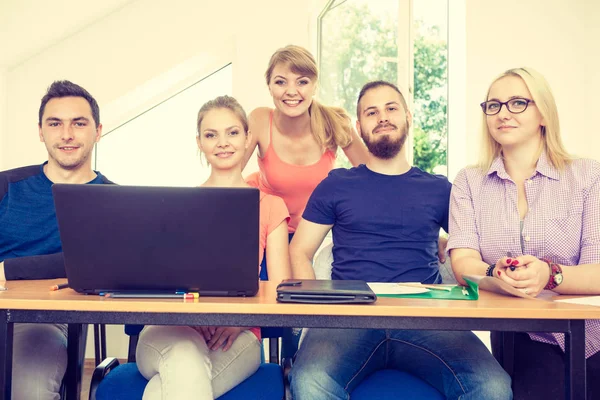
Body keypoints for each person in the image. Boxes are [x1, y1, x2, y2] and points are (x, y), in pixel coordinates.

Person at [288, 80, 511, 399]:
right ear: (358, 125)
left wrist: (450, 243)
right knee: (309, 382)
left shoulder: (439, 188)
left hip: (426, 317)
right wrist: (318, 313)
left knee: (492, 386)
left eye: (391, 108)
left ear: (408, 116)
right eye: (371, 112)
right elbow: (301, 250)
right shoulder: (337, 184)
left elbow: (473, 247)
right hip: (349, 318)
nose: (382, 117)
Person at [447, 67, 600, 399]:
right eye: (494, 105)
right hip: (524, 338)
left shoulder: (588, 175)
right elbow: (464, 260)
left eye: (518, 103)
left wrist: (549, 275)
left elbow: (598, 272)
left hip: (593, 336)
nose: (503, 113)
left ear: (543, 113)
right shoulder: (469, 181)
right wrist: (493, 272)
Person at [136, 96, 291, 400]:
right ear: (199, 142)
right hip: (170, 330)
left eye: (232, 132)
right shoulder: (176, 206)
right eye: (211, 135)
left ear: (248, 138)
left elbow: (279, 290)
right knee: (183, 356)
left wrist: (238, 322)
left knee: (169, 384)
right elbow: (159, 281)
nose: (223, 143)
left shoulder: (271, 206)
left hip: (239, 336)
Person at [0, 80, 112, 399]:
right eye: (55, 124)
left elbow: (92, 265)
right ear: (41, 131)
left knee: (30, 388)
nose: (66, 134)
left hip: (40, 320)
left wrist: (7, 269)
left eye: (78, 123)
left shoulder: (115, 202)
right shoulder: (6, 186)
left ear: (98, 130)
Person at [243, 45, 369, 238]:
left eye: (302, 82)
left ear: (314, 86)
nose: (291, 91)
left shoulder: (335, 122)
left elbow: (372, 176)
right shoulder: (260, 120)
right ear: (269, 86)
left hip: (311, 232)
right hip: (266, 226)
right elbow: (230, 174)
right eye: (281, 82)